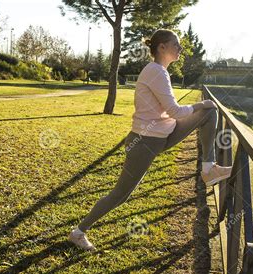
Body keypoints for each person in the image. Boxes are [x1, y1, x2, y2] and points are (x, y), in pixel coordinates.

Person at [68, 29, 232, 251]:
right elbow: (174, 110)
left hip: (163, 135)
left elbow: (170, 114)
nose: (180, 49)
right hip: (144, 142)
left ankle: (208, 168)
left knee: (209, 113)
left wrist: (202, 108)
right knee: (120, 195)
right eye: (176, 44)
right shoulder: (155, 71)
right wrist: (199, 105)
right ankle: (79, 232)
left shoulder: (160, 71)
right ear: (162, 47)